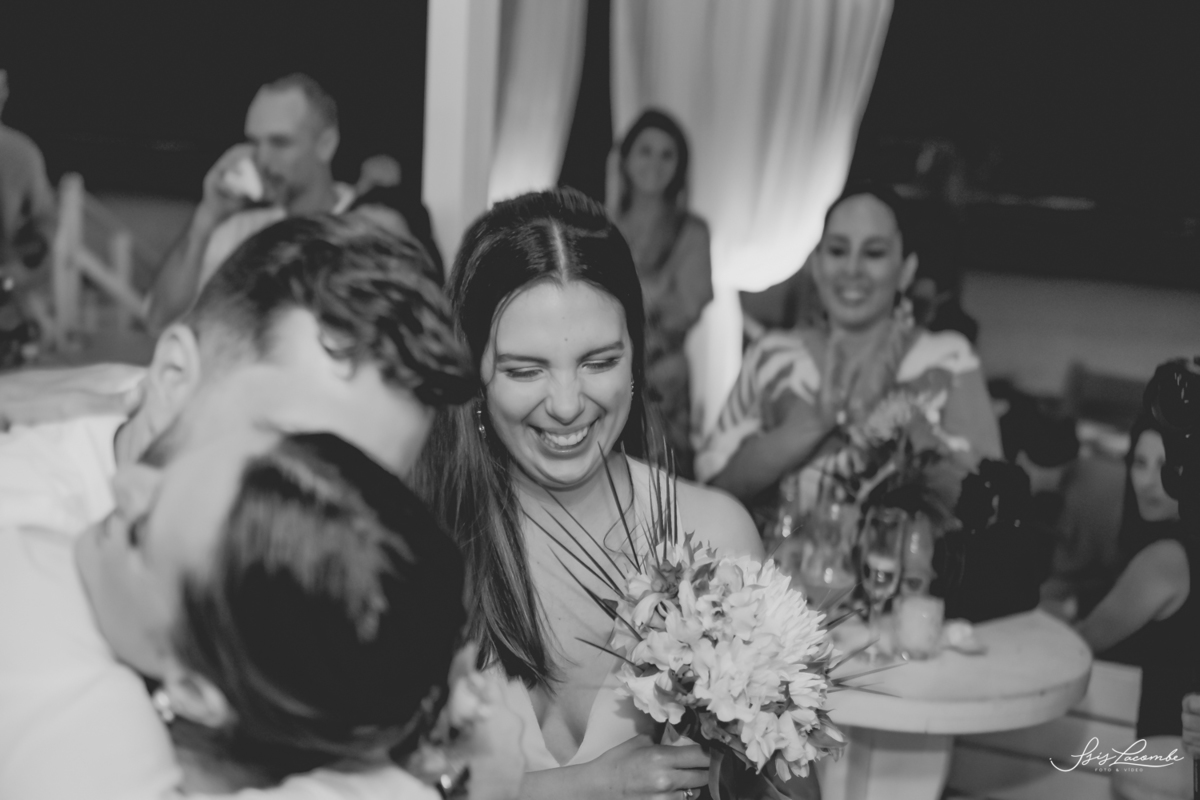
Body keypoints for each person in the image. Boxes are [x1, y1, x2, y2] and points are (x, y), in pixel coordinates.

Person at [0, 216, 489, 795]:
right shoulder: (31, 538)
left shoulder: (319, 586)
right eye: (295, 457)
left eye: (374, 490)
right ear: (174, 377)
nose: (329, 510)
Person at [416, 188, 775, 799]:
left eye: (599, 362)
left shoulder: (714, 535)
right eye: (524, 370)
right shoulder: (426, 539)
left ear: (636, 356)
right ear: (474, 372)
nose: (566, 404)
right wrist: (586, 787)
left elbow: (780, 786)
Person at [1, 427, 471, 799]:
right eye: (171, 467)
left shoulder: (77, 721)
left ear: (192, 691)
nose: (121, 481)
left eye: (139, 534)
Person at [698, 182, 1002, 531]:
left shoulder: (949, 360)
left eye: (874, 253)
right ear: (816, 264)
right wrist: (812, 424)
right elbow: (714, 495)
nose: (852, 269)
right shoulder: (773, 355)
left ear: (906, 270)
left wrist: (888, 424)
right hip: (772, 564)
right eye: (838, 250)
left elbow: (990, 506)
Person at [148, 73, 355, 331]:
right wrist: (205, 219)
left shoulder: (367, 224)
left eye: (280, 142)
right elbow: (160, 321)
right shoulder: (241, 230)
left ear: (326, 145)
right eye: (254, 143)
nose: (263, 160)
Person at [1076, 412, 1196, 799]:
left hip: (1166, 752)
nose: (1148, 481)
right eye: (1139, 463)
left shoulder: (1167, 558)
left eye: (1167, 467)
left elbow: (1084, 642)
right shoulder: (1177, 547)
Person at [609, 109, 712, 478]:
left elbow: (688, 306)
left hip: (662, 380)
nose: (655, 163)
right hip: (607, 373)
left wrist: (629, 299)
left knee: (665, 485)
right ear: (626, 159)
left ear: (679, 166)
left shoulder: (692, 232)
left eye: (667, 154)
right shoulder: (604, 225)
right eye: (645, 151)